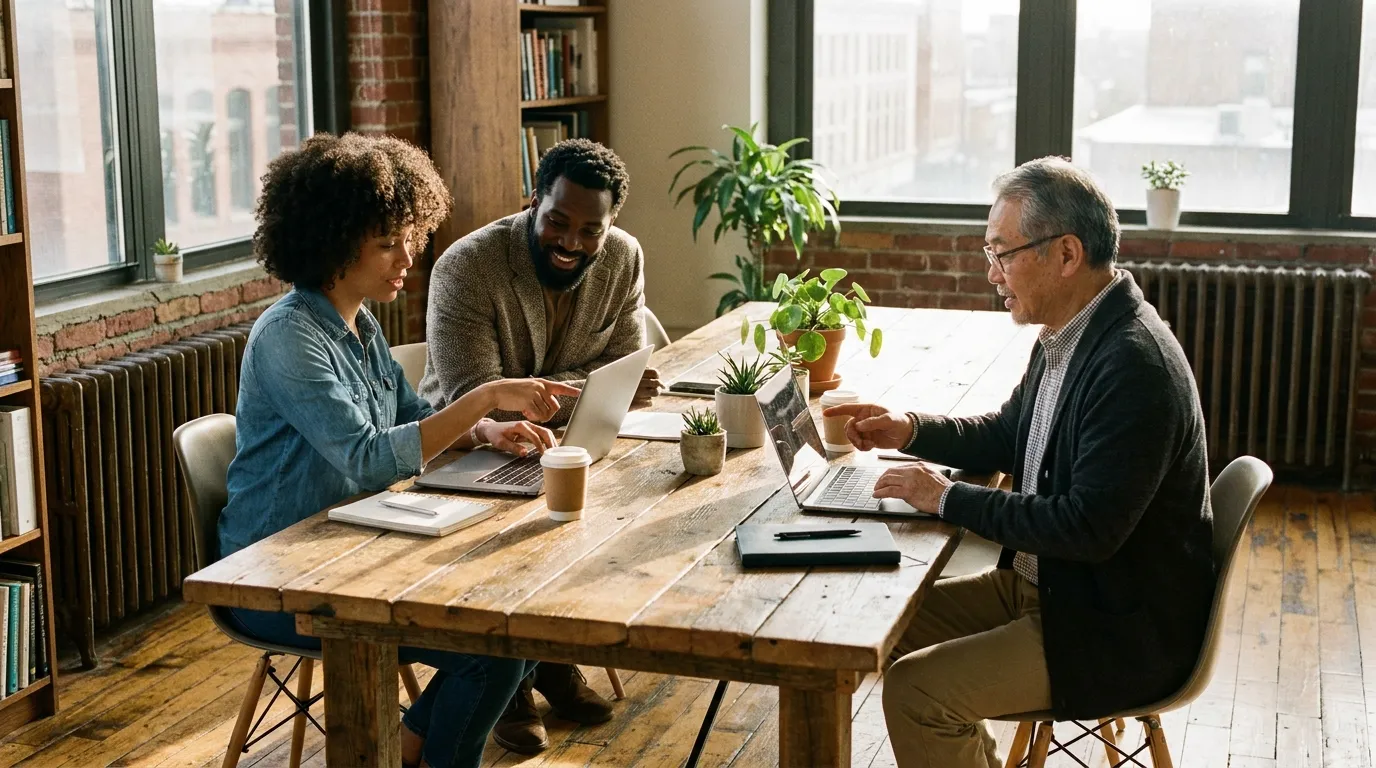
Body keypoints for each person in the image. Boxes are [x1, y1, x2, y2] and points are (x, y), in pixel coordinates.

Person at [824, 157, 1214, 768]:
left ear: (1065, 253)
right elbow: (1009, 434)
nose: (991, 272)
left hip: (1112, 624)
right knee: (878, 624)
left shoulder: (1133, 366)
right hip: (1057, 590)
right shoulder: (1072, 333)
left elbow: (1085, 529)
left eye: (1002, 253)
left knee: (916, 691)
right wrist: (911, 428)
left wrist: (945, 497)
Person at [220, 132, 579, 768]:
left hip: (354, 547)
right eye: (387, 242)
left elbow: (412, 420)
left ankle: (410, 745)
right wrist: (486, 397)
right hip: (276, 573)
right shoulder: (289, 336)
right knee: (486, 652)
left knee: (512, 636)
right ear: (332, 241)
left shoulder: (358, 321)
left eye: (409, 234)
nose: (408, 255)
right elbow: (368, 458)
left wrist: (486, 432)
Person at [418, 138, 651, 752]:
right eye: (557, 221)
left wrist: (580, 392)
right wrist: (589, 387)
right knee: (524, 532)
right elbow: (480, 399)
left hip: (567, 441)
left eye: (589, 230)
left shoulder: (623, 258)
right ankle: (514, 677)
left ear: (611, 225)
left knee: (620, 510)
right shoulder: (468, 266)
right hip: (465, 451)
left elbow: (626, 365)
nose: (571, 242)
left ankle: (549, 653)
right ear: (533, 203)